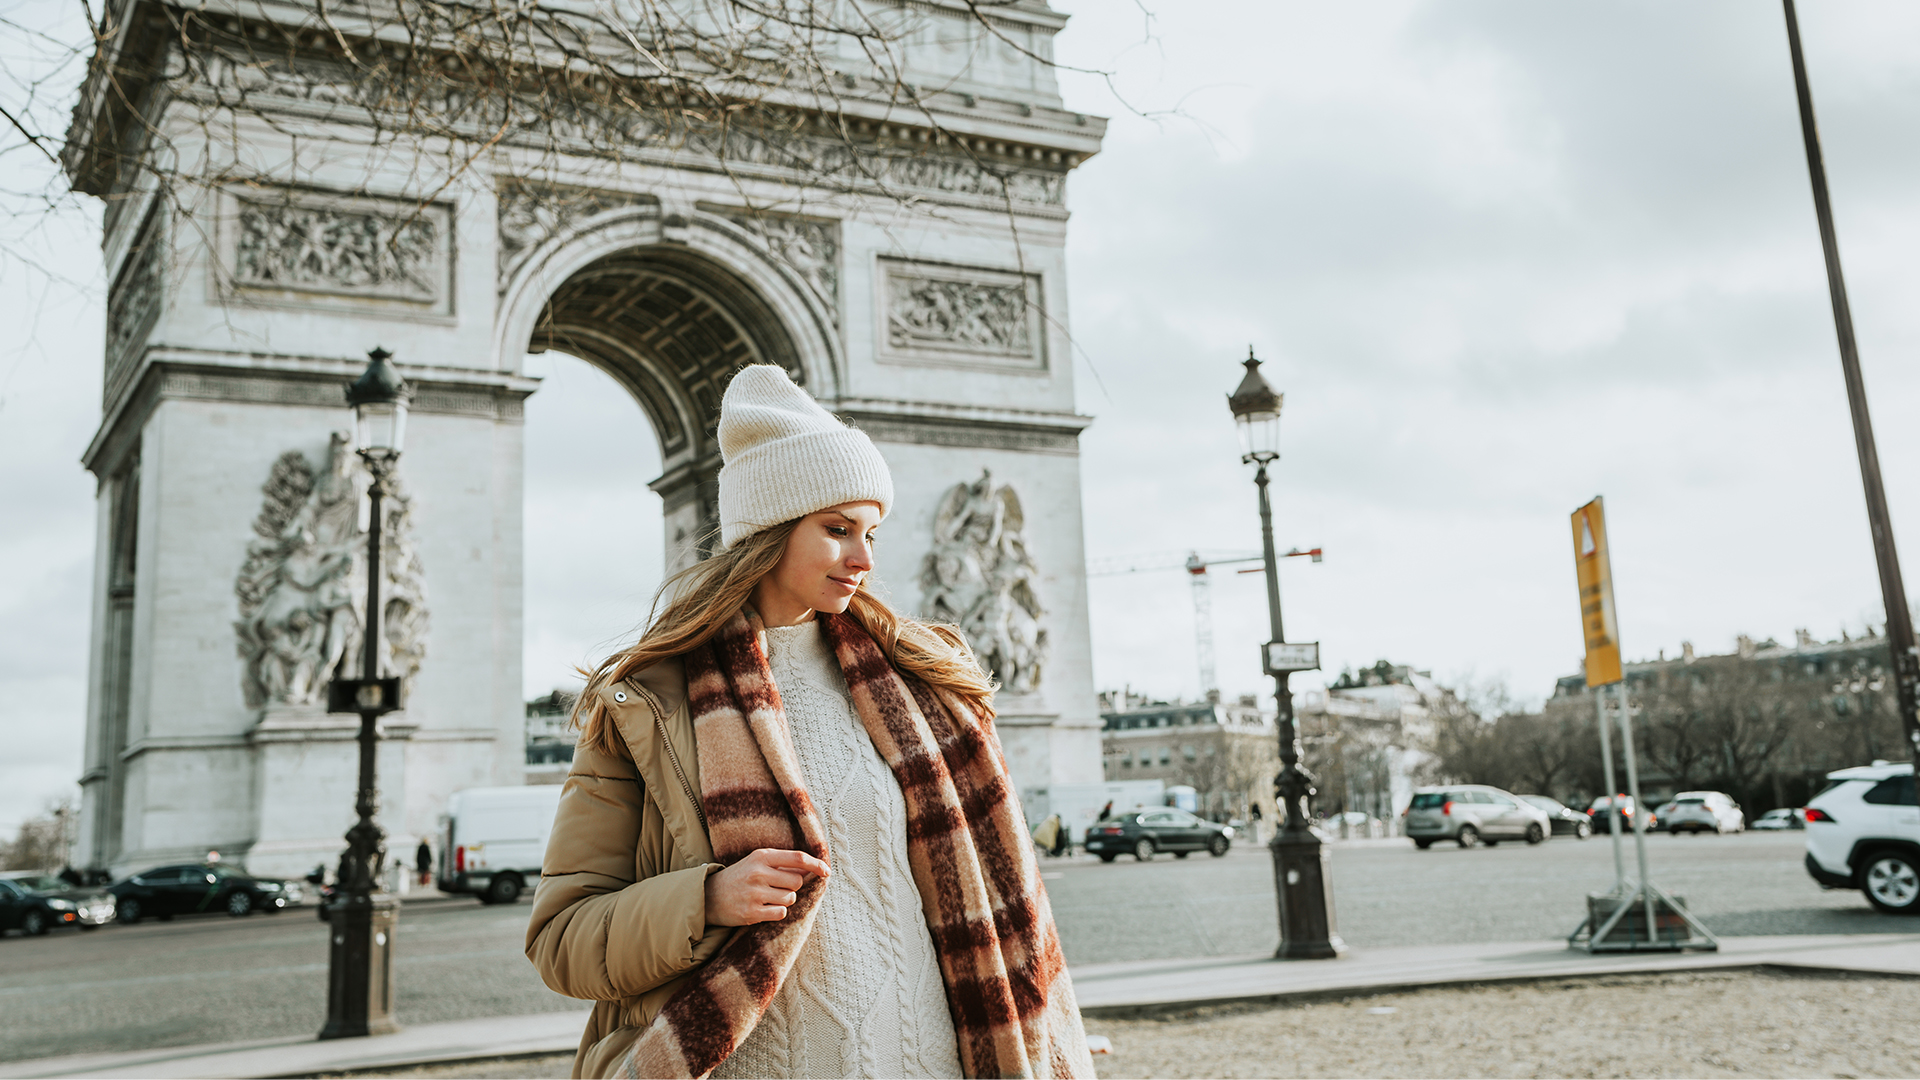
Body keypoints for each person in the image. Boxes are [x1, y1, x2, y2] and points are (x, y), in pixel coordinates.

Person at [526, 366, 1093, 1080]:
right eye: (837, 529)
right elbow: (562, 939)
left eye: (872, 532)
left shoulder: (923, 689)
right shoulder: (647, 706)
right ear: (768, 530)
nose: (865, 558)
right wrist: (706, 899)